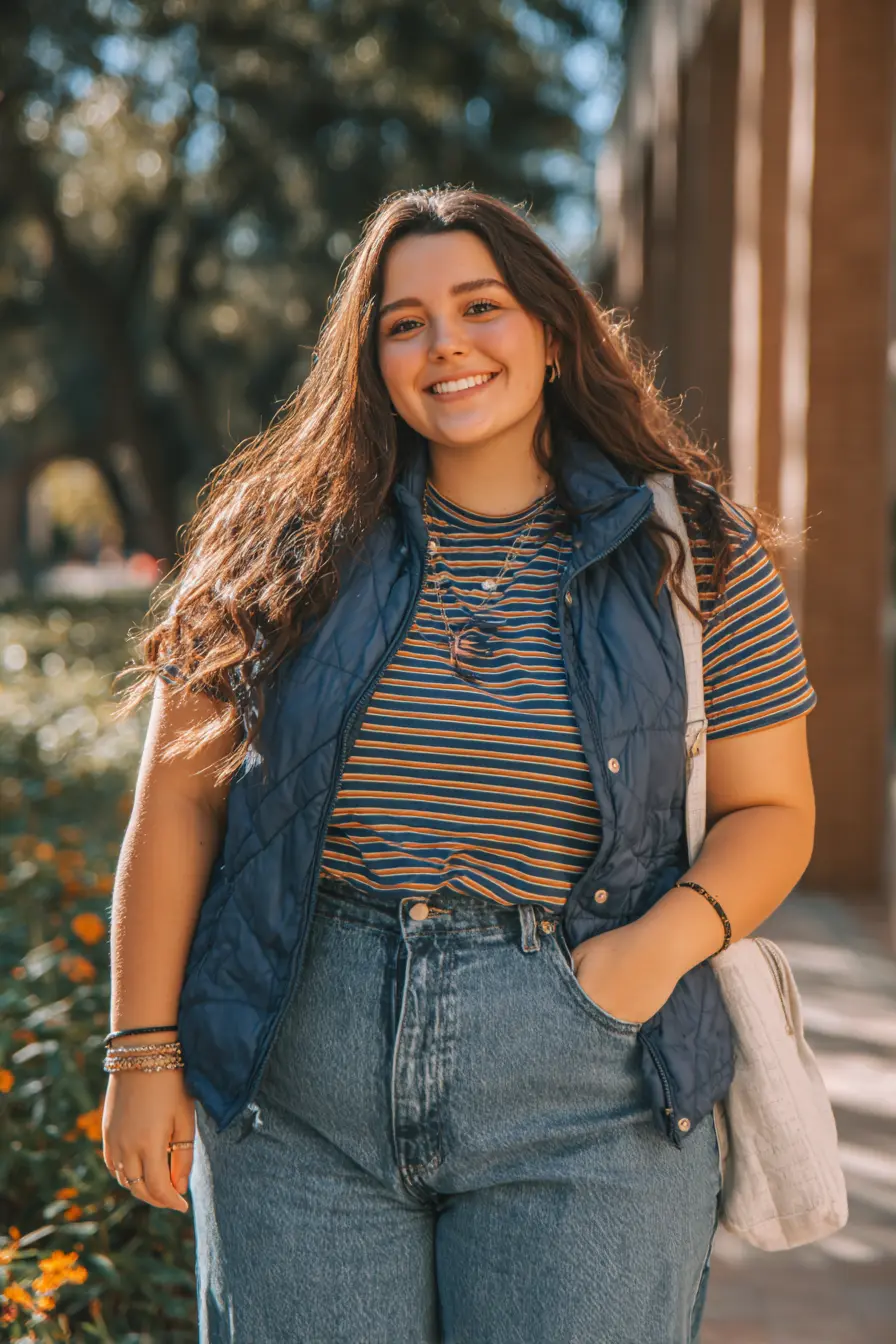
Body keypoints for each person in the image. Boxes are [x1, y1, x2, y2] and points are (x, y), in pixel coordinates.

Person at [103, 186, 816, 1343]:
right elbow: (177, 804)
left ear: (547, 325)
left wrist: (647, 958)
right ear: (371, 354)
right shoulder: (273, 539)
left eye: (479, 306)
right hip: (297, 1081)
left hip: (591, 1083)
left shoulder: (688, 549)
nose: (446, 345)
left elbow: (772, 810)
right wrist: (142, 1050)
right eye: (403, 321)